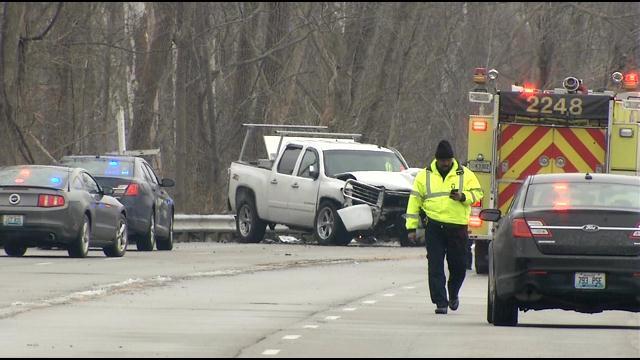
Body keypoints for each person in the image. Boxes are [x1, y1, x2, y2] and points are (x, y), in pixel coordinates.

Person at [405, 140, 484, 314]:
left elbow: (478, 192)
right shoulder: (424, 176)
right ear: (437, 160)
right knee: (435, 265)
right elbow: (414, 202)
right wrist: (411, 228)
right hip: (434, 226)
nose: (445, 163)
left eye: (448, 160)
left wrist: (463, 197)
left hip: (457, 227)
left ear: (452, 158)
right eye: (443, 160)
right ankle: (440, 302)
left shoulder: (465, 174)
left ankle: (453, 293)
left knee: (459, 265)